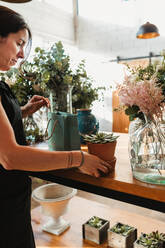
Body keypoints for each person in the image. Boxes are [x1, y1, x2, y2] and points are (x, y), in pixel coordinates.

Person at [0, 5, 111, 248]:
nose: (21, 54)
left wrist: (23, 110)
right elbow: (9, 156)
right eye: (19, 43)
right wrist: (78, 159)